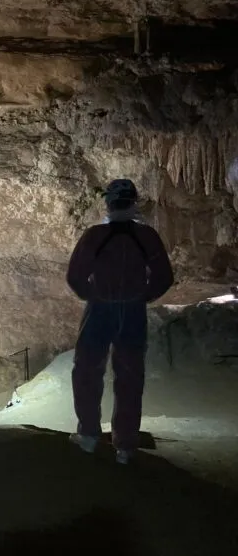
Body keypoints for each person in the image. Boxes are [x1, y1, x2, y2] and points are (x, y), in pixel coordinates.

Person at [66, 179, 174, 464]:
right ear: (133, 202)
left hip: (100, 310)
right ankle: (125, 446)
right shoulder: (146, 236)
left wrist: (94, 295)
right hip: (132, 312)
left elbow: (75, 276)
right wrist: (141, 296)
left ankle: (88, 435)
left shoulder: (95, 235)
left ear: (109, 203)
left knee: (87, 370)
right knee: (129, 376)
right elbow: (164, 276)